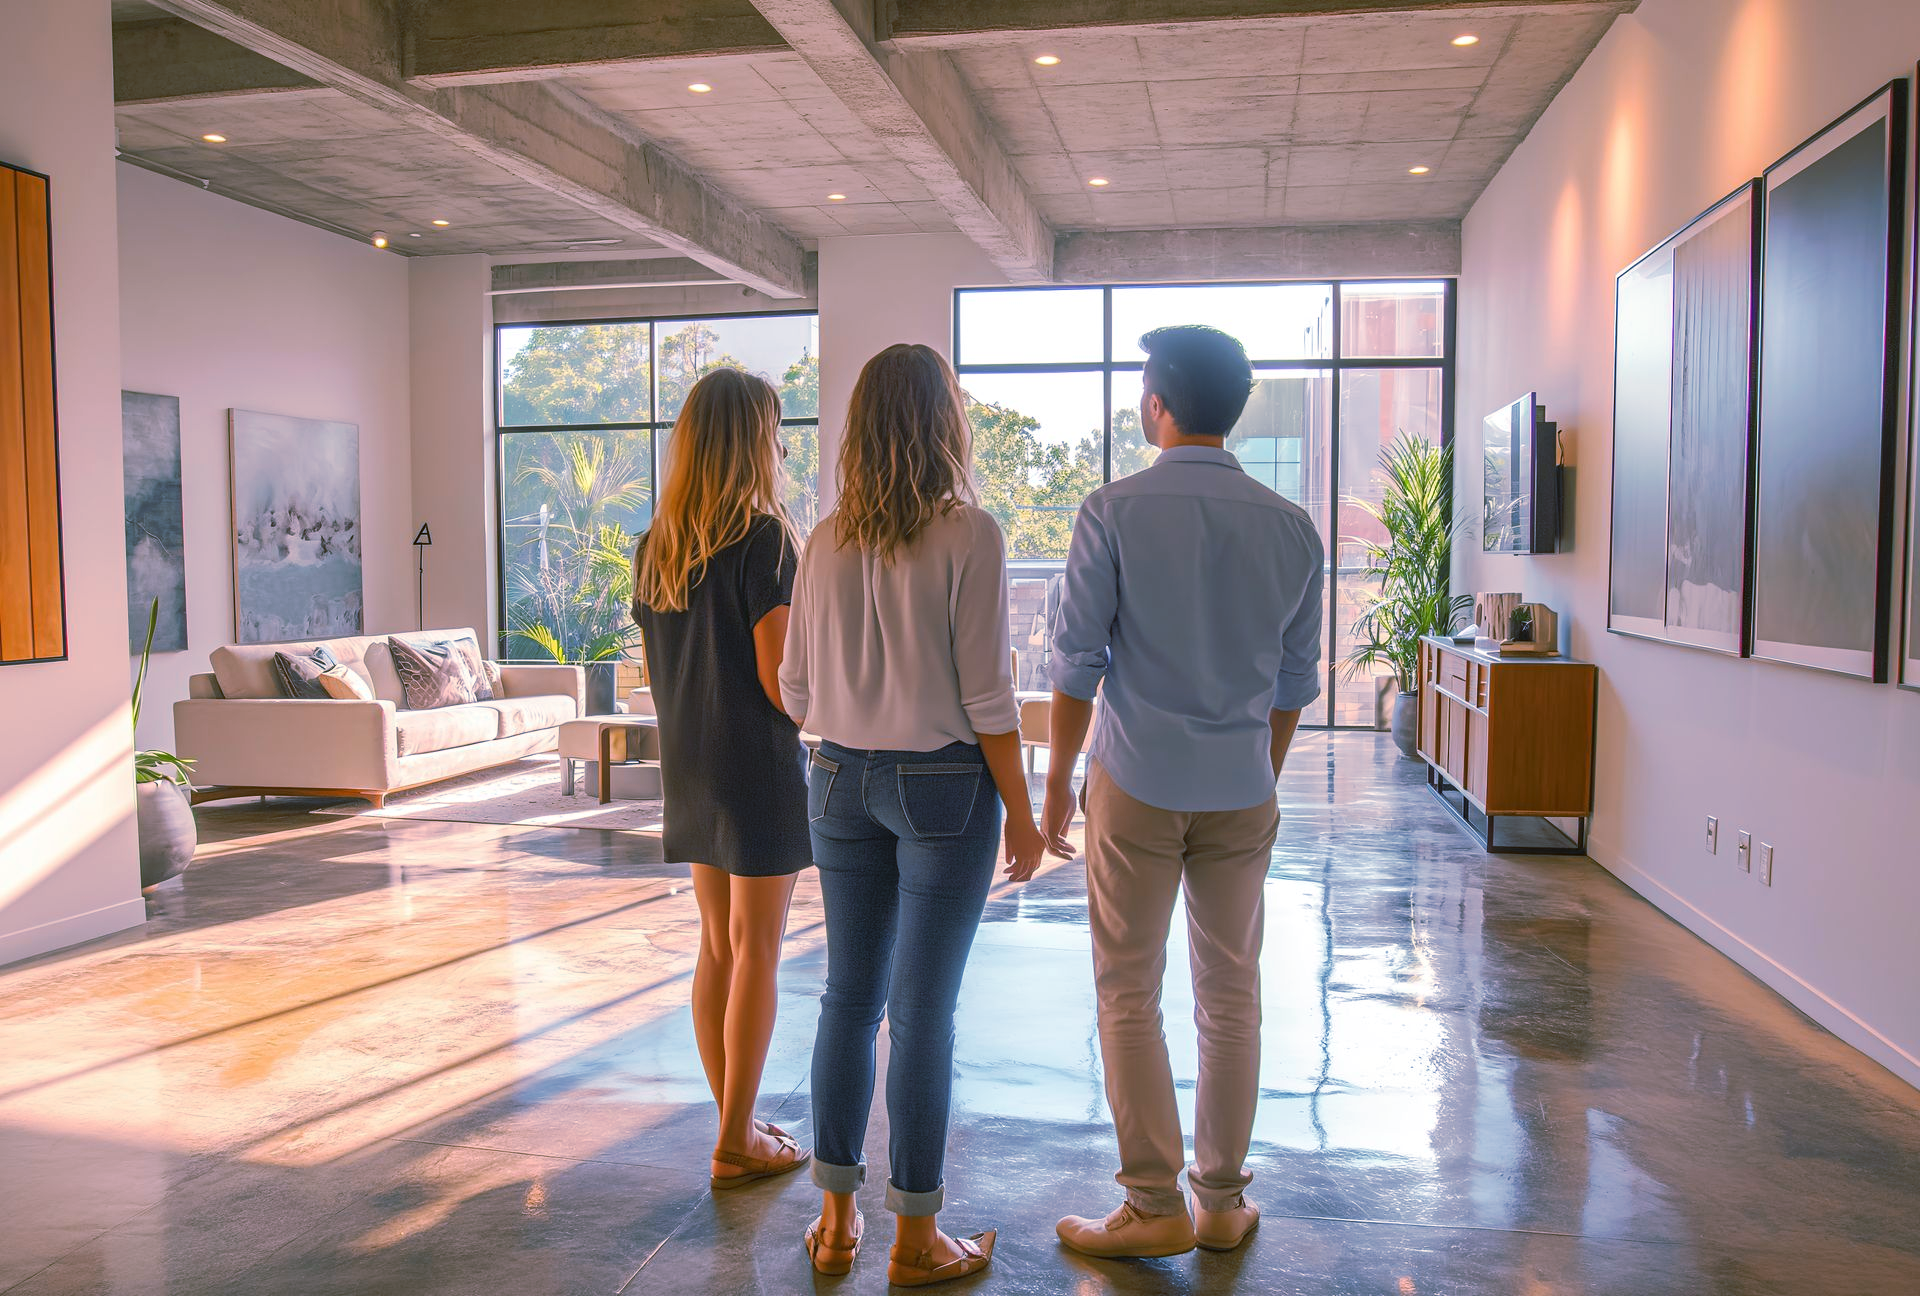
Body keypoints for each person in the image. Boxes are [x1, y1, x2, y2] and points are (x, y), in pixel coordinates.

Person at [1043, 325, 1324, 1259]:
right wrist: (1257, 772)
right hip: (1240, 785)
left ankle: (1151, 1201)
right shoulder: (1291, 526)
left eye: (1141, 388)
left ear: (1159, 403)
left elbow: (1078, 666)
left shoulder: (1112, 511)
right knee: (1232, 992)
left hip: (1136, 780)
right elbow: (1293, 681)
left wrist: (1056, 790)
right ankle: (1220, 1200)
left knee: (1129, 988)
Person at [780, 343, 1057, 1286]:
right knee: (924, 1013)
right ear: (946, 423)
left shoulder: (822, 541)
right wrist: (1022, 813)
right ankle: (914, 1240)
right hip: (940, 786)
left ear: (860, 428)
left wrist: (857, 700)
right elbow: (989, 697)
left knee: (847, 1001)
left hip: (833, 782)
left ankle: (834, 1225)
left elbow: (795, 688)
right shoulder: (968, 534)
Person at [630, 367, 812, 1192]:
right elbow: (781, 683)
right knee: (760, 952)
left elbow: (656, 668)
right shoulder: (767, 540)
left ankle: (733, 1122)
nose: (781, 444)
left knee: (717, 947)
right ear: (751, 440)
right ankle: (738, 1140)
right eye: (774, 429)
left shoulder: (657, 543)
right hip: (760, 766)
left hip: (691, 765)